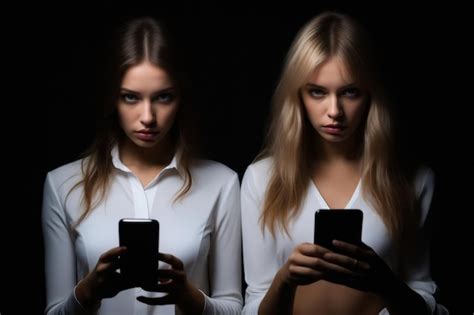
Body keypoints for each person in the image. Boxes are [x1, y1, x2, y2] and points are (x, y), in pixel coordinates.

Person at [241, 11, 448, 315]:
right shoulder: (262, 179)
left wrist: (385, 283)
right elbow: (254, 305)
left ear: (369, 95)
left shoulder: (414, 180)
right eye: (317, 92)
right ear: (297, 96)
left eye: (350, 92)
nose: (334, 110)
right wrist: (285, 279)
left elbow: (424, 298)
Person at [42, 17, 242, 315]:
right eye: (130, 98)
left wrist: (190, 298)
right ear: (113, 99)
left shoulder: (222, 184)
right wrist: (87, 293)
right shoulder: (62, 185)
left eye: (163, 97)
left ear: (180, 98)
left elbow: (233, 306)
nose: (148, 116)